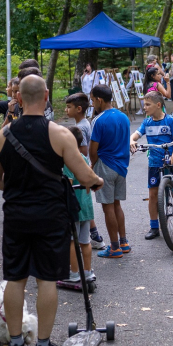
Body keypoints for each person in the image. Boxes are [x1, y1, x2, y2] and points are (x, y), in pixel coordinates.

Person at [0, 75, 104, 346]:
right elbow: (83, 175)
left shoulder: (2, 137)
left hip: (16, 215)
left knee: (15, 278)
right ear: (47, 95)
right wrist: (97, 181)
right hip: (51, 216)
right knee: (47, 279)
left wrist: (16, 188)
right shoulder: (60, 134)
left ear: (18, 98)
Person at [131, 92, 173, 240]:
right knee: (153, 195)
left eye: (148, 104)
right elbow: (135, 135)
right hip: (154, 164)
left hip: (171, 162)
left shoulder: (170, 121)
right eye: (144, 104)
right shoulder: (147, 122)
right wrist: (132, 140)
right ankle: (154, 226)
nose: (145, 107)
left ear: (158, 105)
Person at [88, 84, 132, 255]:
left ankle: (114, 247)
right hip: (121, 167)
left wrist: (92, 165)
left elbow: (93, 149)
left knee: (107, 207)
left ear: (99, 99)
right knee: (117, 205)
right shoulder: (124, 117)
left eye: (92, 100)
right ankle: (124, 242)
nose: (92, 104)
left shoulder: (98, 120)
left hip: (105, 165)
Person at [65, 93, 105, 250]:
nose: (66, 110)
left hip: (80, 171)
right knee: (85, 209)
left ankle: (94, 237)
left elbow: (80, 151)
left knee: (80, 208)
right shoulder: (83, 123)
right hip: (84, 169)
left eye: (69, 107)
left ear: (79, 109)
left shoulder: (81, 127)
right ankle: (95, 237)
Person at [63, 126, 97, 285]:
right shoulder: (84, 158)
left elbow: (67, 186)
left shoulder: (69, 161)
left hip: (74, 207)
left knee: (72, 241)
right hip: (86, 206)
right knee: (85, 241)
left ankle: (74, 273)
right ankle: (88, 271)